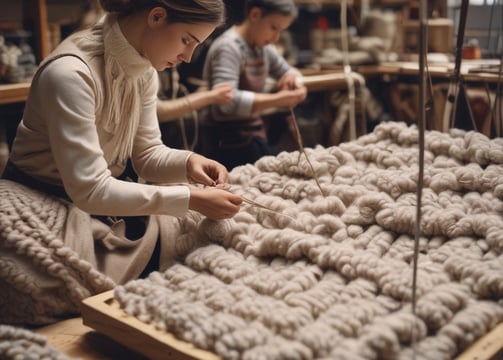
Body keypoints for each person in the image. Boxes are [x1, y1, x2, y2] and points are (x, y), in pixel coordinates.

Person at [1, 0, 243, 287]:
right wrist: (189, 198)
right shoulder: (70, 74)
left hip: (94, 203)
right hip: (41, 200)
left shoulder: (143, 71)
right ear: (156, 16)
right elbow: (91, 189)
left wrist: (189, 162)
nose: (188, 57)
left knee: (187, 240)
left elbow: (148, 155)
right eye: (186, 40)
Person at [200, 0, 307, 170]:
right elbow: (226, 102)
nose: (276, 38)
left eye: (281, 31)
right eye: (273, 27)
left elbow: (289, 71)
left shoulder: (263, 47)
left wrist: (292, 77)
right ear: (255, 15)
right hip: (226, 142)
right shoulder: (229, 47)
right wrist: (278, 100)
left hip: (251, 135)